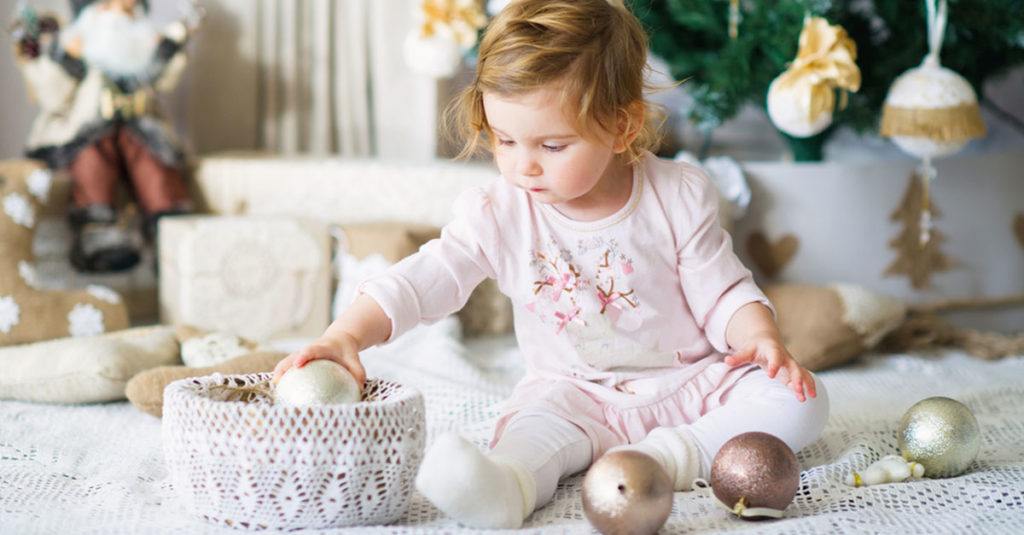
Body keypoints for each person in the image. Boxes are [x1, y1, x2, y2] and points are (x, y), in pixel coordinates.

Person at [274, 0, 829, 528]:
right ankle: (507, 487)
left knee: (802, 400)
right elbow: (427, 278)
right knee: (529, 432)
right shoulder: (500, 210)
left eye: (552, 146)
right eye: (505, 139)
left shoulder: (676, 193)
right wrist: (348, 334)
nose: (523, 166)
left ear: (622, 126)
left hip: (688, 386)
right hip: (573, 393)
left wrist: (756, 335)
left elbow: (722, 289)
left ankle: (668, 458)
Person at [12, 0, 199, 272]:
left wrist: (168, 47)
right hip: (89, 125)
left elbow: (164, 78)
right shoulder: (80, 39)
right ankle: (97, 231)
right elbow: (53, 93)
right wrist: (61, 58)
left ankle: (169, 232)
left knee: (154, 159)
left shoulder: (143, 41)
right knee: (91, 158)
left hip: (139, 123)